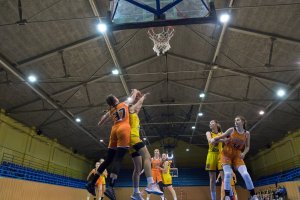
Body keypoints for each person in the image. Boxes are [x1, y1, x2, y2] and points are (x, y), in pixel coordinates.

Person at [86, 89, 139, 200]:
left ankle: (91, 183)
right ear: (115, 99)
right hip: (124, 128)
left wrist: (100, 121)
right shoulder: (123, 104)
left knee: (108, 160)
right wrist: (135, 91)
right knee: (118, 159)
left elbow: (102, 121)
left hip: (114, 130)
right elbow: (132, 98)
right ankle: (110, 186)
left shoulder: (111, 111)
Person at [211, 115, 258, 200]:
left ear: (243, 122)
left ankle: (253, 195)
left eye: (238, 120)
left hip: (237, 155)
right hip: (226, 154)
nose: (235, 121)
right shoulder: (231, 130)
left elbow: (247, 146)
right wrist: (214, 139)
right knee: (228, 174)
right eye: (235, 120)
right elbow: (221, 137)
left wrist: (244, 153)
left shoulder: (247, 133)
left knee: (245, 174)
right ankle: (227, 196)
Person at [129, 92, 163, 200]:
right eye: (135, 107)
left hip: (129, 142)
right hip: (134, 138)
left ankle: (135, 192)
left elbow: (139, 106)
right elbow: (137, 104)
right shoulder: (129, 111)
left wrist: (140, 99)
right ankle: (151, 183)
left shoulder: (133, 114)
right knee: (148, 157)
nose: (137, 108)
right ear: (131, 107)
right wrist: (143, 97)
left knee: (138, 168)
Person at [206, 120, 224, 200]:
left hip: (221, 155)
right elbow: (210, 141)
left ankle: (227, 196)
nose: (210, 124)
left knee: (224, 178)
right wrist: (220, 139)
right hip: (211, 155)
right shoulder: (208, 133)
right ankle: (213, 198)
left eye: (212, 122)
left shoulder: (222, 133)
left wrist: (216, 139)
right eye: (209, 123)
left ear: (216, 124)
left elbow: (226, 141)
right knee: (212, 179)